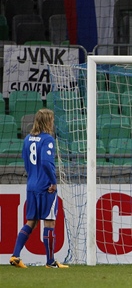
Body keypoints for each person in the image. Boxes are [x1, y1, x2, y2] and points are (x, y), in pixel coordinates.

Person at [9, 109, 69, 269]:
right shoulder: (48, 139)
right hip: (45, 186)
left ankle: (15, 255)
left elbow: (26, 161)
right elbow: (45, 162)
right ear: (47, 122)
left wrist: (33, 177)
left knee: (31, 222)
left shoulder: (27, 139)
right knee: (49, 223)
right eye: (51, 120)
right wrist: (53, 182)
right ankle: (50, 262)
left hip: (32, 185)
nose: (53, 123)